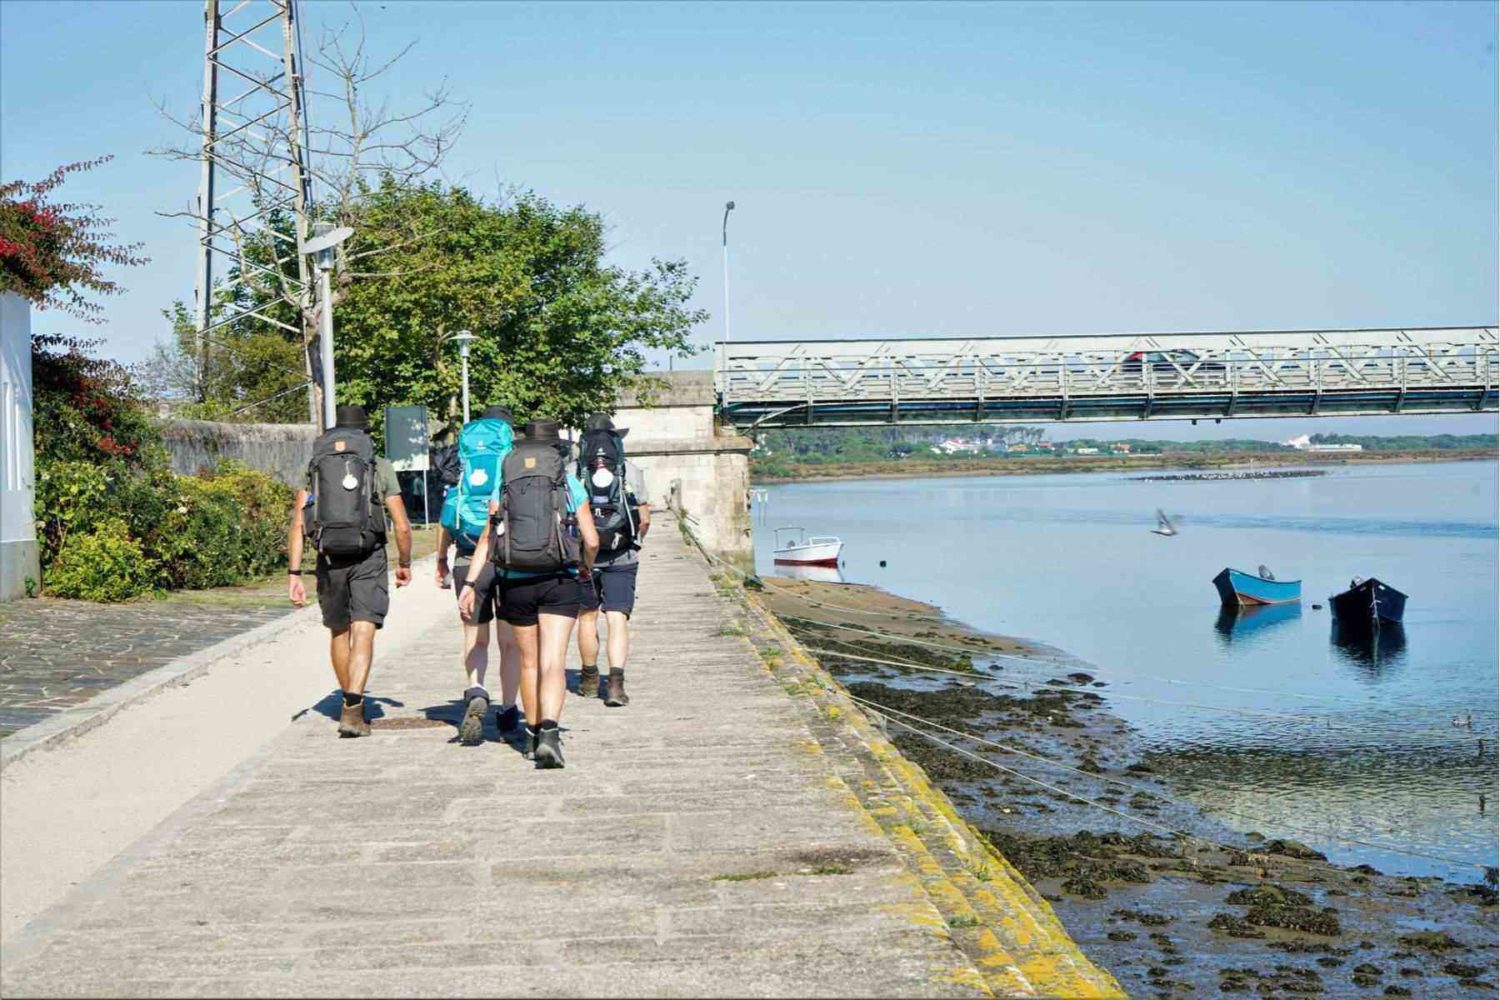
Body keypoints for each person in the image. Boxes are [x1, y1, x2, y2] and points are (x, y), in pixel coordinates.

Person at [459, 420, 598, 768]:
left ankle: (532, 733)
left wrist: (471, 584)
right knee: (552, 661)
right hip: (560, 579)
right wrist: (584, 564)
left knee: (528, 661)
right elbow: (592, 539)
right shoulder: (569, 482)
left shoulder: (504, 481)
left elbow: (488, 538)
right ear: (556, 450)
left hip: (514, 579)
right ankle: (550, 734)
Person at [288, 405, 412, 737]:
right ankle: (353, 708)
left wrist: (294, 573)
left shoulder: (314, 466)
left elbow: (299, 521)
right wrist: (404, 563)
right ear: (365, 433)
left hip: (328, 557)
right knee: (364, 628)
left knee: (339, 631)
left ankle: (350, 702)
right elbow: (401, 525)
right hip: (368, 554)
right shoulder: (378, 465)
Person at [436, 404, 523, 745]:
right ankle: (509, 709)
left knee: (474, 635)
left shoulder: (465, 460)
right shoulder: (513, 461)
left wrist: (442, 558)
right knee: (509, 643)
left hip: (465, 558)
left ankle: (477, 687)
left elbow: (447, 515)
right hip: (505, 559)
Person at [575, 413, 650, 706]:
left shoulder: (572, 470)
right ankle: (616, 685)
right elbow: (643, 519)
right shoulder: (629, 471)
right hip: (622, 554)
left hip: (583, 556)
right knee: (617, 618)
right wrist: (635, 542)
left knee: (587, 617)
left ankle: (589, 680)